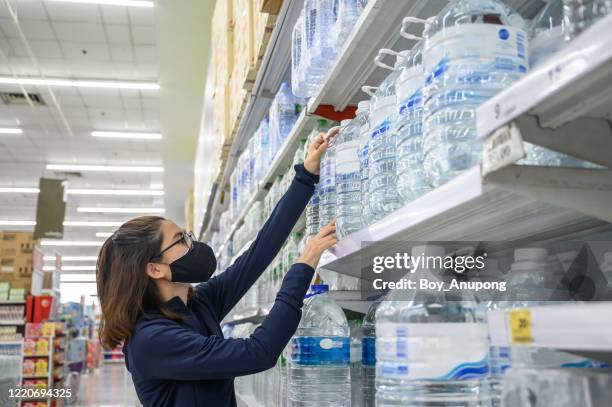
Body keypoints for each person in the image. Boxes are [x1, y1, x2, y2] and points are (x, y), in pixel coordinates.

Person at [96, 128, 340, 407]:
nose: (192, 244)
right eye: (181, 240)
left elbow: (257, 255)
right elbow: (259, 352)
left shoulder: (197, 304)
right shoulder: (152, 340)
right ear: (155, 269)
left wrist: (306, 176)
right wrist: (303, 264)